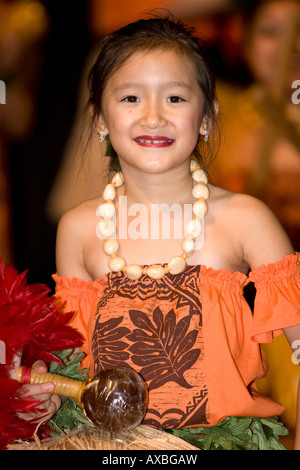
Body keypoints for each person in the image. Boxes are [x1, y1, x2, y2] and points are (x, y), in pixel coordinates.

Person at [18, 16, 300, 450]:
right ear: (100, 119)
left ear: (206, 116)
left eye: (174, 97)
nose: (153, 116)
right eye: (131, 97)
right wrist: (44, 396)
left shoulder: (247, 219)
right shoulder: (78, 229)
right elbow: (76, 375)